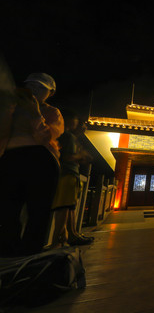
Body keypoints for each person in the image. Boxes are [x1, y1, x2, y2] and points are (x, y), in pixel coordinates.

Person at [0, 73, 63, 256]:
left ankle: (30, 255)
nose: (34, 90)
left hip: (41, 159)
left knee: (39, 211)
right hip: (11, 157)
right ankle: (7, 252)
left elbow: (45, 137)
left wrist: (35, 112)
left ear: (50, 93)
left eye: (40, 87)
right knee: (7, 209)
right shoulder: (11, 108)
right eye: (31, 86)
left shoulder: (52, 113)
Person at [49, 110, 93, 248]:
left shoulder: (71, 137)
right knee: (64, 207)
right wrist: (81, 157)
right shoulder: (67, 137)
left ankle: (71, 234)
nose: (84, 126)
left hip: (70, 174)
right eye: (79, 121)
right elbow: (66, 157)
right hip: (67, 174)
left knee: (70, 207)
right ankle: (57, 240)